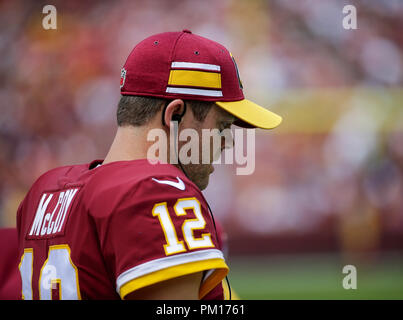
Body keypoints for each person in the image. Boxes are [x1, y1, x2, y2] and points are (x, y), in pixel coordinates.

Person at [16, 29, 282, 300]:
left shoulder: (45, 189)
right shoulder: (156, 191)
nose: (229, 142)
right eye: (222, 126)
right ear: (175, 115)